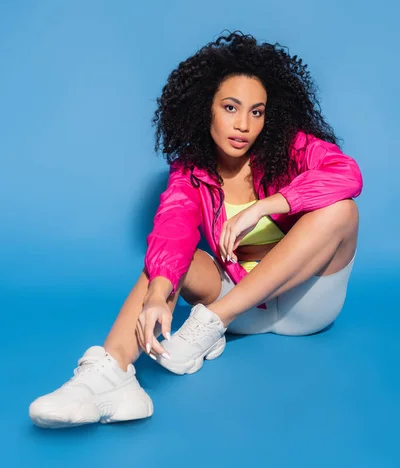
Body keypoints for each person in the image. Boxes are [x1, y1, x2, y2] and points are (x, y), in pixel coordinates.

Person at [29, 31, 363, 428]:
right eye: (230, 107)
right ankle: (108, 377)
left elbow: (346, 173)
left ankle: (211, 323)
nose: (243, 125)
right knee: (167, 267)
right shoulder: (190, 172)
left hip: (306, 303)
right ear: (206, 108)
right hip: (243, 306)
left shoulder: (291, 148)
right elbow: (173, 229)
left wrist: (267, 206)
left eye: (256, 112)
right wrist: (157, 293)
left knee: (342, 210)